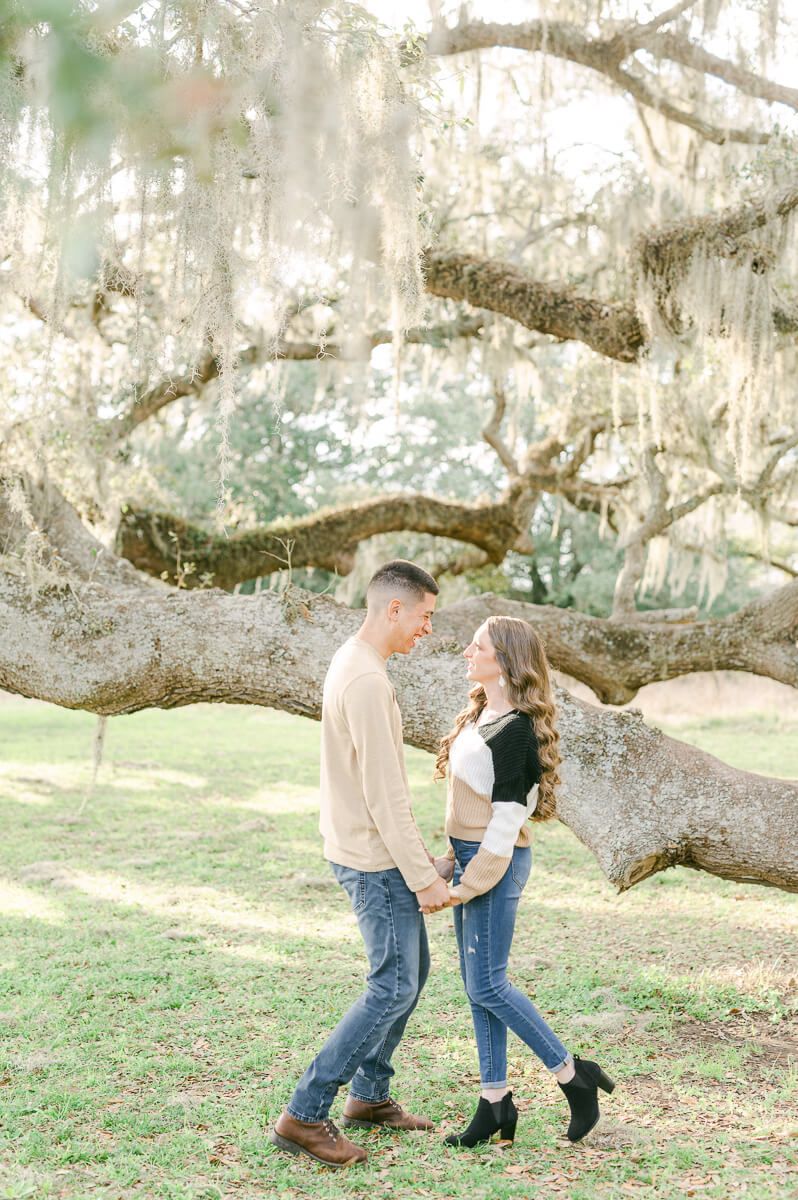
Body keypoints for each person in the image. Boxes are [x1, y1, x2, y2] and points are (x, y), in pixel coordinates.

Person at [270, 560, 451, 1168]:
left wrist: (418, 856)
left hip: (369, 848)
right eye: (424, 616)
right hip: (372, 860)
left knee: (411, 972)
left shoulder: (355, 662)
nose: (427, 629)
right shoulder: (367, 680)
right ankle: (307, 1111)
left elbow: (379, 783)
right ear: (393, 608)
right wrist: (423, 875)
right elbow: (383, 792)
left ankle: (369, 1097)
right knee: (393, 982)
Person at [433, 615, 615, 1147]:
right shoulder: (482, 712)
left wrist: (468, 883)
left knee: (488, 983)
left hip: (495, 863)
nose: (468, 650)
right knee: (477, 988)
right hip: (472, 856)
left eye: (479, 645)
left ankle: (571, 1075)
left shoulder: (515, 731)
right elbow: (472, 802)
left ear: (506, 660)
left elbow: (507, 819)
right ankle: (495, 1103)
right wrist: (451, 858)